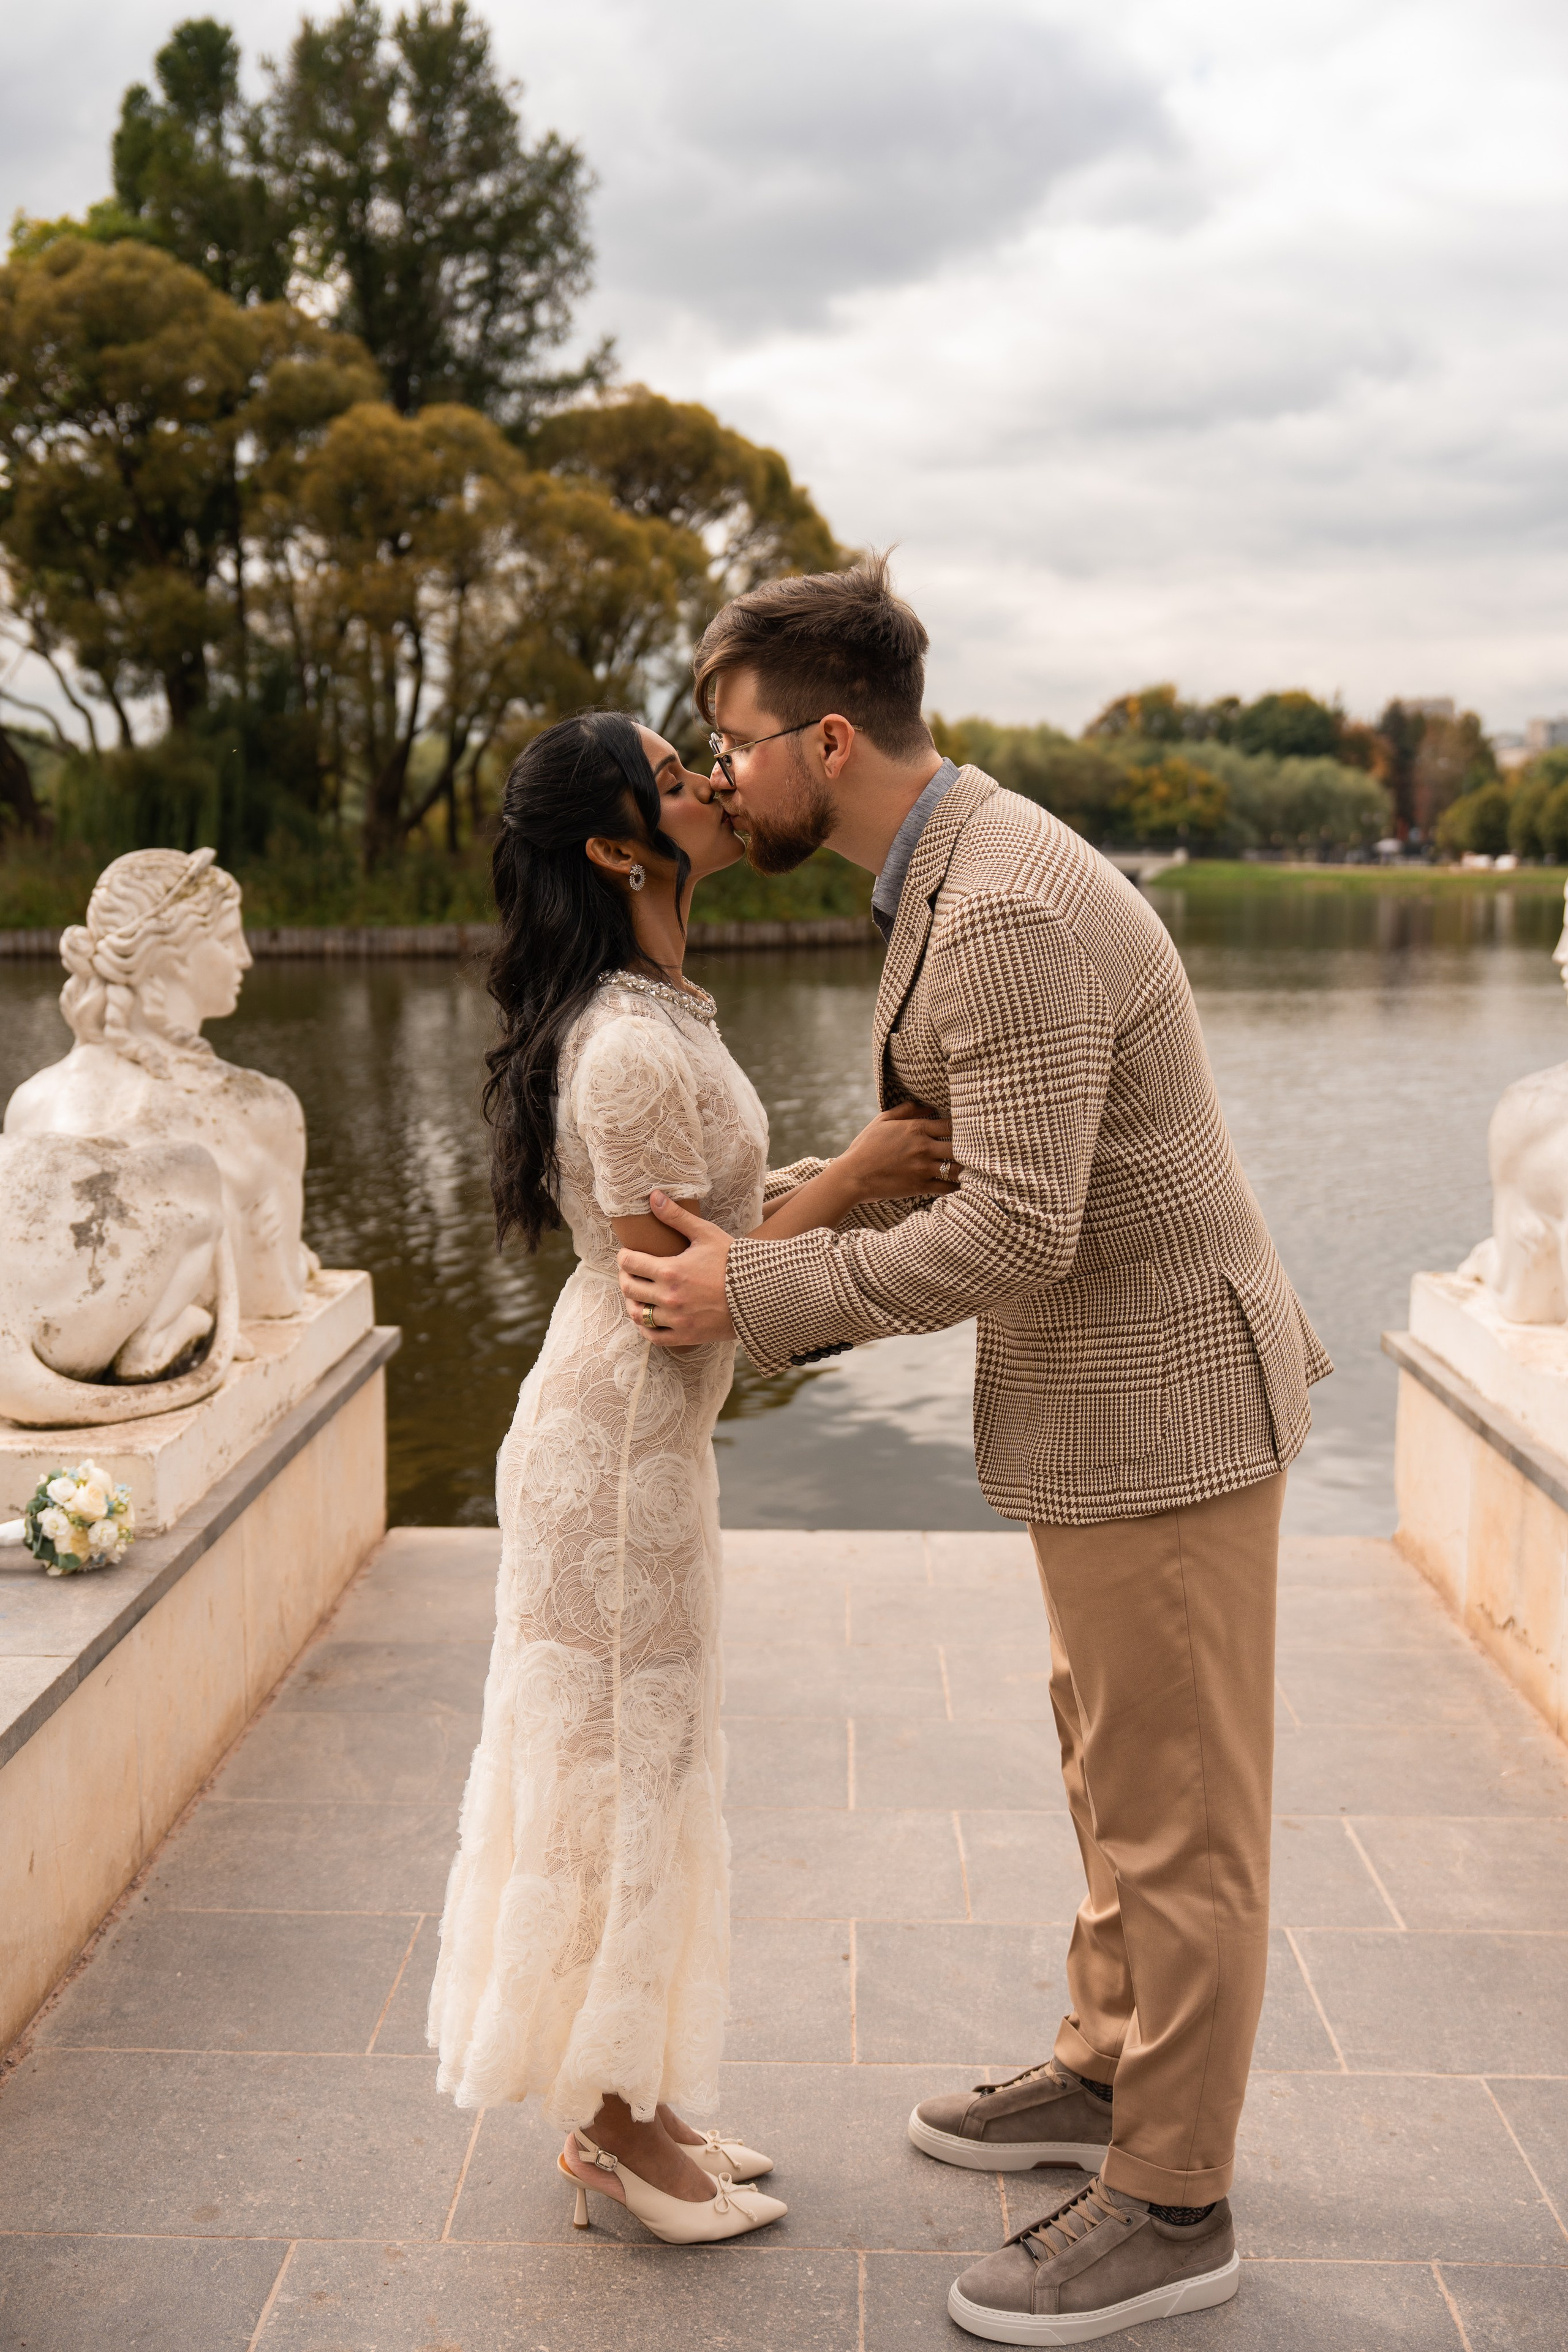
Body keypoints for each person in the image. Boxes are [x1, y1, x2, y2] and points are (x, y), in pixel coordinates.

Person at [616, 563, 1332, 2337]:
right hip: (1115, 1405)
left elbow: (1012, 1227)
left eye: (735, 743)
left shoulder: (998, 905)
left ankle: (1171, 2201)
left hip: (1167, 1407)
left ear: (826, 741)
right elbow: (958, 1164)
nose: (722, 778)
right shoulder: (953, 869)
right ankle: (1104, 2068)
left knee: (1179, 1820)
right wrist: (787, 1230)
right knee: (1111, 1762)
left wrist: (752, 1292)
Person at [426, 708, 957, 2247]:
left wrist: (833, 1184)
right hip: (611, 1446)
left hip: (646, 1439)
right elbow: (679, 1291)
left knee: (649, 1763)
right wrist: (856, 1174)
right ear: (615, 848)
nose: (714, 781)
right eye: (672, 779)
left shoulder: (662, 1006)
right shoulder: (627, 1047)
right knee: (614, 1772)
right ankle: (605, 2132)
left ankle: (635, 2095)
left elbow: (711, 1227)